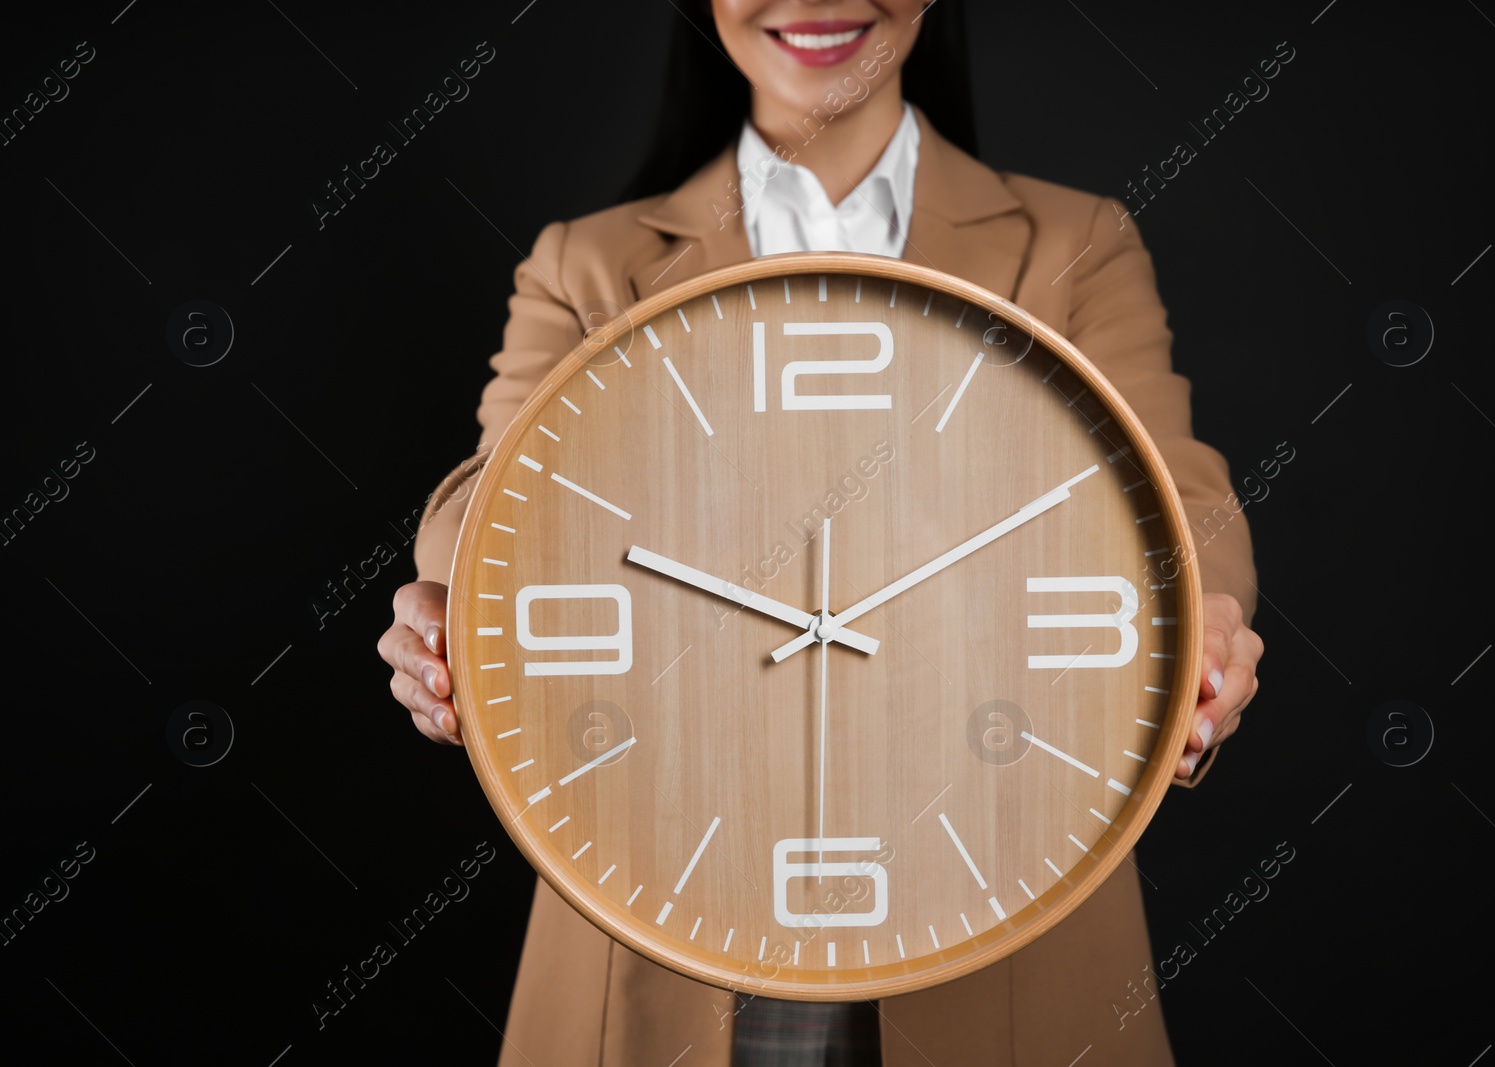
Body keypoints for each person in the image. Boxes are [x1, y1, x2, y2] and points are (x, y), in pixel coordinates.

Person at [379, 2, 1264, 1062]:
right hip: (664, 901)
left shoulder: (1074, 244)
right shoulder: (592, 264)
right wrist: (455, 599)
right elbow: (487, 495)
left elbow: (1181, 493)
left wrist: (1202, 625)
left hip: (999, 874)